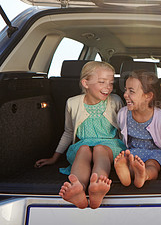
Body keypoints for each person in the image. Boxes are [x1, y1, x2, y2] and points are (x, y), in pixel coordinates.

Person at [34, 61, 125, 209]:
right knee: (83, 150)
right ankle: (78, 189)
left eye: (111, 83)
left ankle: (96, 187)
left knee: (100, 149)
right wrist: (54, 157)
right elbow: (69, 131)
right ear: (85, 83)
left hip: (110, 146)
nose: (108, 87)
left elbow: (124, 128)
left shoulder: (115, 101)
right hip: (82, 146)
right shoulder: (72, 103)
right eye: (102, 82)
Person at [114, 70, 161, 188]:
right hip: (134, 151)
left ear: (148, 96)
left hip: (156, 153)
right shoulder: (123, 114)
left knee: (152, 166)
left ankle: (144, 175)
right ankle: (126, 175)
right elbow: (120, 135)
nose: (125, 95)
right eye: (125, 90)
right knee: (129, 163)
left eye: (131, 91)